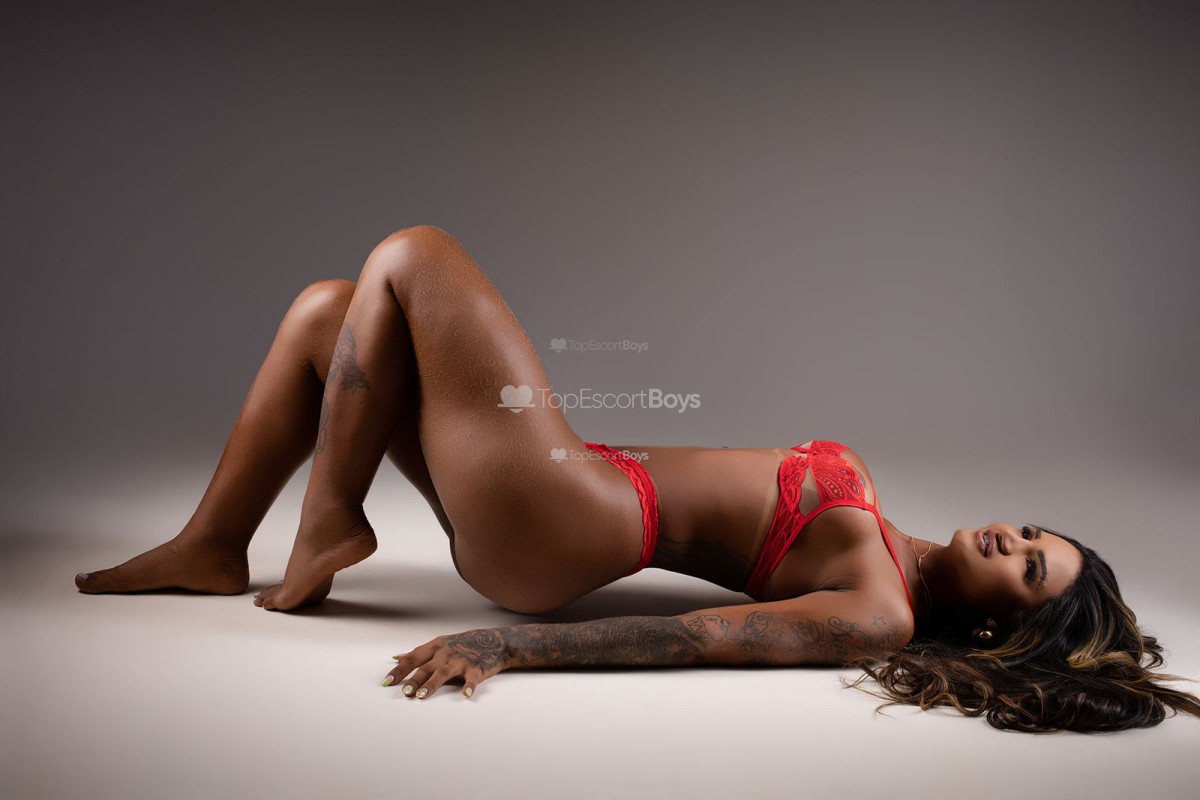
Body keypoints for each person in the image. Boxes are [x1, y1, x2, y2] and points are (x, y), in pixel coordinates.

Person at [73, 225, 1200, 732]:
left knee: (411, 255)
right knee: (331, 313)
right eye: (1034, 533)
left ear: (1000, 629)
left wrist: (507, 646)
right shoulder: (892, 548)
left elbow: (701, 639)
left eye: (1029, 570)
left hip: (563, 515)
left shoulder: (880, 610)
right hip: (560, 486)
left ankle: (329, 517)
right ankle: (216, 542)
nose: (1014, 539)